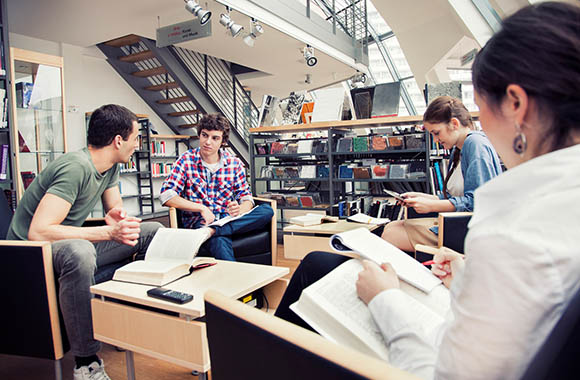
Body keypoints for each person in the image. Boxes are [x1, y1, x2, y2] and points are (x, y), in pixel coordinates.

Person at [276, 2, 580, 378]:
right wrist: (469, 275)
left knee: (323, 273)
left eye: (483, 109)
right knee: (323, 264)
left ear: (516, 104)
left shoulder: (511, 229)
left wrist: (384, 297)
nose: (482, 122)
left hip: (435, 354)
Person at [7, 104, 163, 380]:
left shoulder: (111, 166)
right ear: (118, 141)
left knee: (151, 231)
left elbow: (114, 210)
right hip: (29, 256)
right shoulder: (75, 168)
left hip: (61, 246)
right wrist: (107, 233)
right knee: (80, 251)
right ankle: (86, 363)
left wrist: (119, 219)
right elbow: (39, 232)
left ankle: (124, 320)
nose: (138, 144)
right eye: (136, 137)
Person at [381, 96, 502, 252]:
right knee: (391, 227)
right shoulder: (459, 149)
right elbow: (456, 196)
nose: (436, 140)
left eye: (437, 133)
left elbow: (477, 203)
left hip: (473, 230)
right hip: (459, 223)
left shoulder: (475, 145)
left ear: (454, 124)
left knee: (391, 235)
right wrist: (421, 197)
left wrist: (432, 206)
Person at [159, 114, 273, 261]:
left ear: (223, 141)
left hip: (227, 221)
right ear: (199, 135)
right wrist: (201, 208)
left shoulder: (234, 163)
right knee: (219, 241)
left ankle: (214, 231)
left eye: (215, 138)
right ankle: (234, 281)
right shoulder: (186, 160)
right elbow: (167, 195)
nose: (208, 142)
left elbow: (246, 199)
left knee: (267, 210)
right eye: (204, 135)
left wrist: (240, 209)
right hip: (199, 224)